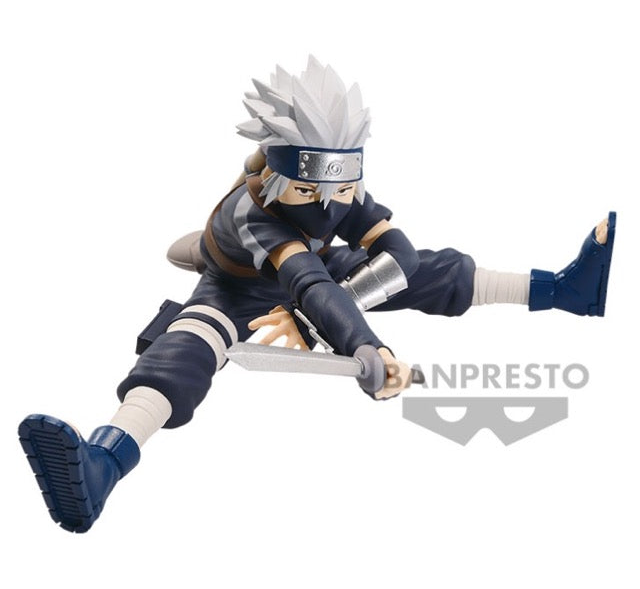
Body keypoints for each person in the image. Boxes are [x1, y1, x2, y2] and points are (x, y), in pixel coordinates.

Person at [18, 56, 616, 533]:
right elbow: (306, 283)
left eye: (343, 187)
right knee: (183, 352)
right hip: (238, 284)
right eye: (309, 191)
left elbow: (399, 255)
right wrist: (365, 346)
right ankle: (103, 463)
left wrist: (334, 320)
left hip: (314, 267)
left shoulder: (335, 183)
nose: (330, 204)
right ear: (274, 175)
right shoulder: (255, 213)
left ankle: (566, 290)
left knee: (437, 271)